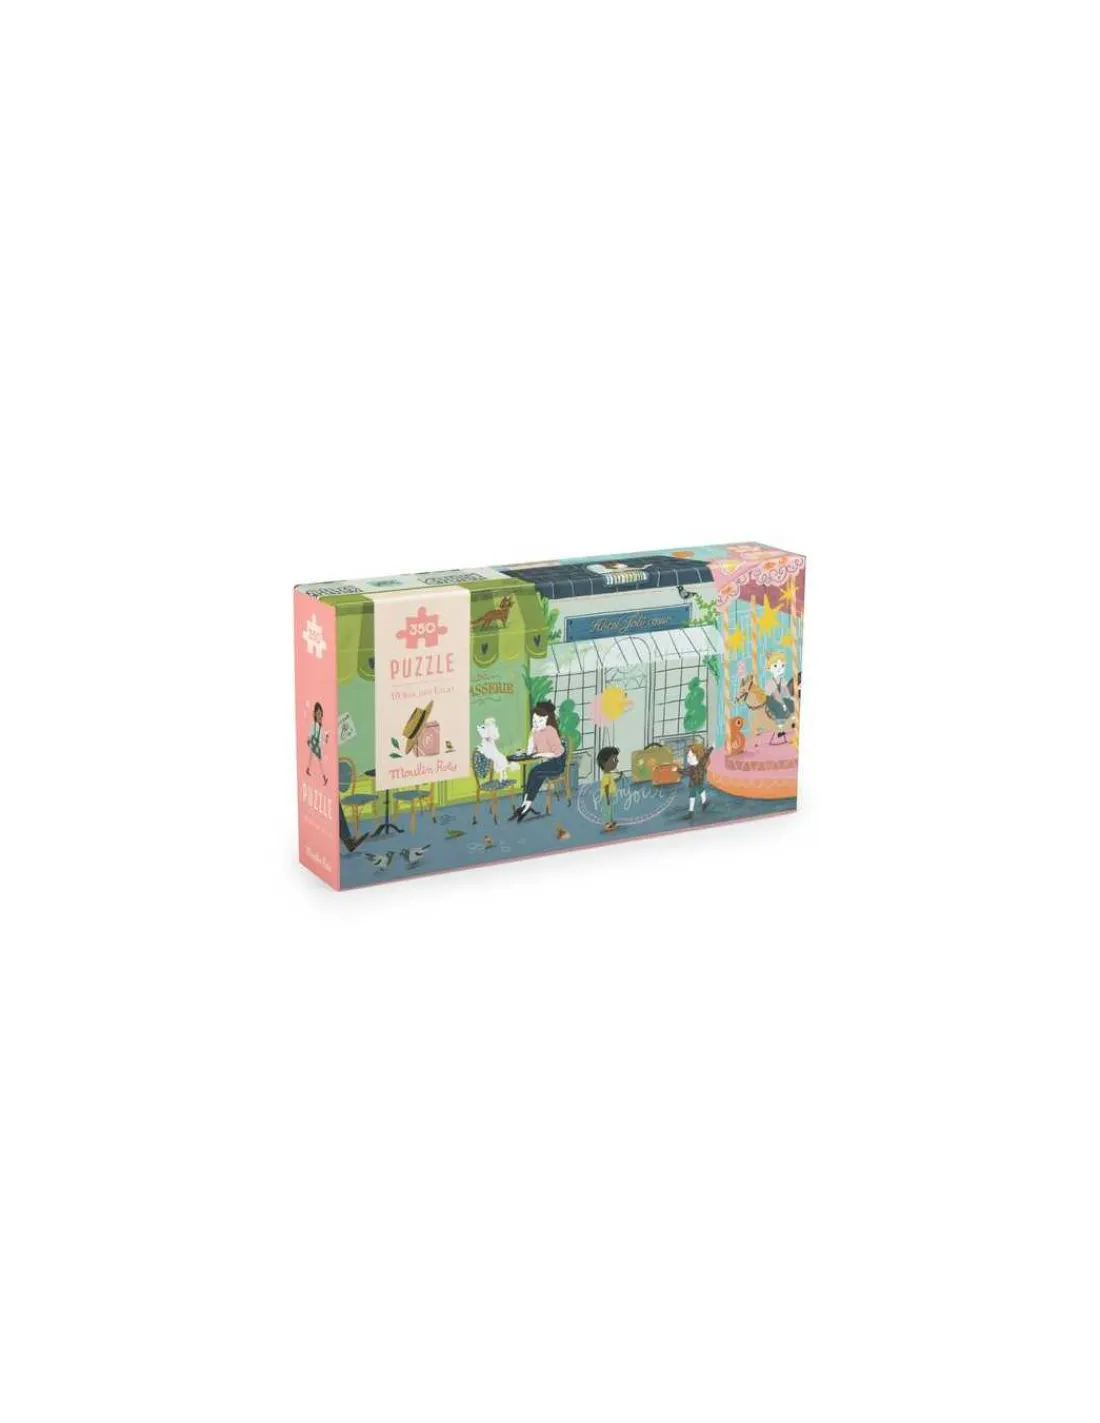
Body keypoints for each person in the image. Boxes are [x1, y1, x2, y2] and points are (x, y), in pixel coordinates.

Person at [511, 700, 565, 822]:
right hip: (546, 762)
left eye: (540, 721)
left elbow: (557, 753)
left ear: (547, 719)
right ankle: (525, 805)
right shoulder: (535, 732)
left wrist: (540, 754)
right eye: (534, 721)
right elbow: (530, 752)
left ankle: (526, 805)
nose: (536, 724)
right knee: (537, 776)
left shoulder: (551, 730)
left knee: (534, 773)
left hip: (557, 763)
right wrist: (532, 734)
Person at [685, 741, 713, 817]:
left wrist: (712, 747)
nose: (689, 759)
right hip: (697, 781)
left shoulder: (699, 764)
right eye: (688, 757)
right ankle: (704, 803)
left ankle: (691, 812)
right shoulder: (692, 767)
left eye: (691, 756)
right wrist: (677, 770)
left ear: (696, 756)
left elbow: (706, 755)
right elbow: (685, 772)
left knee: (693, 794)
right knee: (699, 790)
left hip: (695, 782)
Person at [597, 745, 620, 832]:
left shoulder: (609, 775)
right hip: (607, 796)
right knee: (607, 810)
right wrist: (607, 798)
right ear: (605, 763)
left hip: (610, 795)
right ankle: (607, 824)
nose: (617, 761)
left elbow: (612, 781)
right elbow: (606, 787)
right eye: (614, 759)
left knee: (610, 809)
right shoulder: (606, 776)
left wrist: (619, 778)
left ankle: (611, 821)